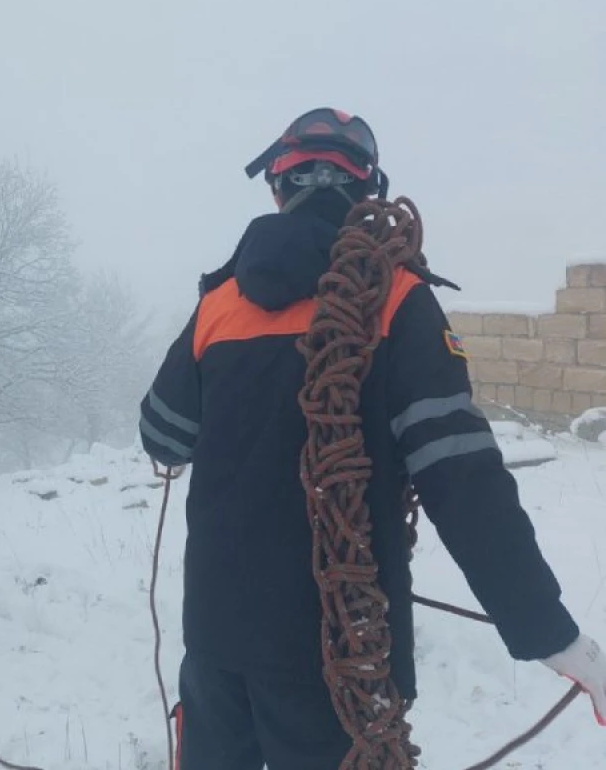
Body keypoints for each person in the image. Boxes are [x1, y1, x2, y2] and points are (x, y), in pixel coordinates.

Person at [139, 107, 606, 768]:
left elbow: (163, 436)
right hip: (336, 657)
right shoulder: (397, 300)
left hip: (215, 645)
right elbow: (462, 480)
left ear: (278, 187)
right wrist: (546, 629)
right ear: (367, 191)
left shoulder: (220, 305)